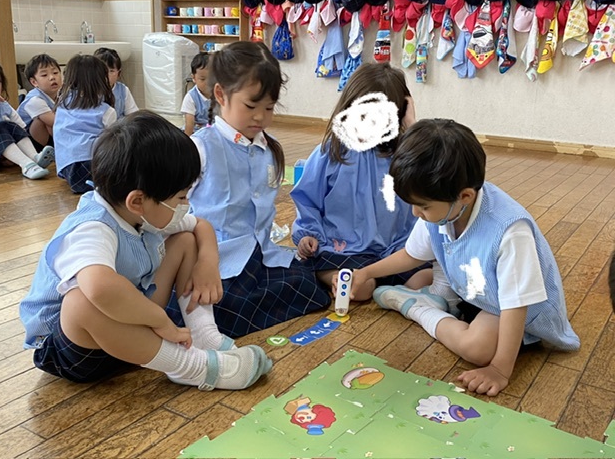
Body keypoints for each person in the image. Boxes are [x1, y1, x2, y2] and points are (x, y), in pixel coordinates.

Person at [19, 111, 272, 389]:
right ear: (137, 201)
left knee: (185, 240)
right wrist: (160, 320)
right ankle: (192, 367)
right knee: (80, 301)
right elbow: (100, 289)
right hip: (77, 351)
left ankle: (203, 335)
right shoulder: (92, 227)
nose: (185, 205)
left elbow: (201, 225)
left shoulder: (142, 212)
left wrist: (208, 263)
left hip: (133, 330)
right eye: (181, 197)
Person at [349, 118, 580, 397]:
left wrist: (499, 370)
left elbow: (516, 306)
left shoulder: (510, 230)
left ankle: (418, 309)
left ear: (466, 196)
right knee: (417, 278)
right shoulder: (444, 203)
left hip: (512, 310)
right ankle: (430, 296)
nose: (415, 214)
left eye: (422, 207)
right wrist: (367, 272)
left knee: (477, 349)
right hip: (477, 290)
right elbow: (411, 254)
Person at [188, 41, 330, 338]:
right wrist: (199, 260)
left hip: (260, 255)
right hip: (218, 261)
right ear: (220, 95)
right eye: (251, 106)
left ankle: (235, 317)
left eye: (269, 108)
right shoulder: (200, 147)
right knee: (222, 301)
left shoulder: (268, 149)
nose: (260, 117)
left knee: (307, 284)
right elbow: (176, 212)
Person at [291, 62, 429, 301]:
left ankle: (381, 287)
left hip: (396, 250)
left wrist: (413, 127)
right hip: (346, 249)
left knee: (426, 276)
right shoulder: (331, 151)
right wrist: (308, 234)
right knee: (359, 288)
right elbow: (308, 199)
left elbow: (433, 187)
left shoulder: (405, 154)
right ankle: (334, 278)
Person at [0, 58, 54, 179]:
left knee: (9, 125)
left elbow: (20, 127)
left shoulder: (2, 105)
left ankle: (34, 157)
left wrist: (16, 150)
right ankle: (27, 165)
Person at [54, 54, 116, 194]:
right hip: (91, 166)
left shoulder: (63, 103)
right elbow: (113, 144)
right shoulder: (105, 111)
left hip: (67, 168)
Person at [17, 54, 62, 150]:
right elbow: (55, 121)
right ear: (34, 82)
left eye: (55, 73)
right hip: (26, 142)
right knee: (43, 119)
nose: (52, 77)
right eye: (44, 75)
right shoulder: (34, 100)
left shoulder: (62, 95)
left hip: (48, 137)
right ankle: (44, 151)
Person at [94, 47, 138, 119]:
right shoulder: (89, 90)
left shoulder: (123, 91)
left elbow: (133, 115)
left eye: (111, 71)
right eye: (102, 70)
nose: (106, 75)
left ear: (118, 73)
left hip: (118, 125)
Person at [181, 52, 211, 134]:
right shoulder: (191, 97)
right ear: (194, 78)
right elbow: (189, 124)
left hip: (214, 130)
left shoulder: (220, 94)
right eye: (203, 79)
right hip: (197, 132)